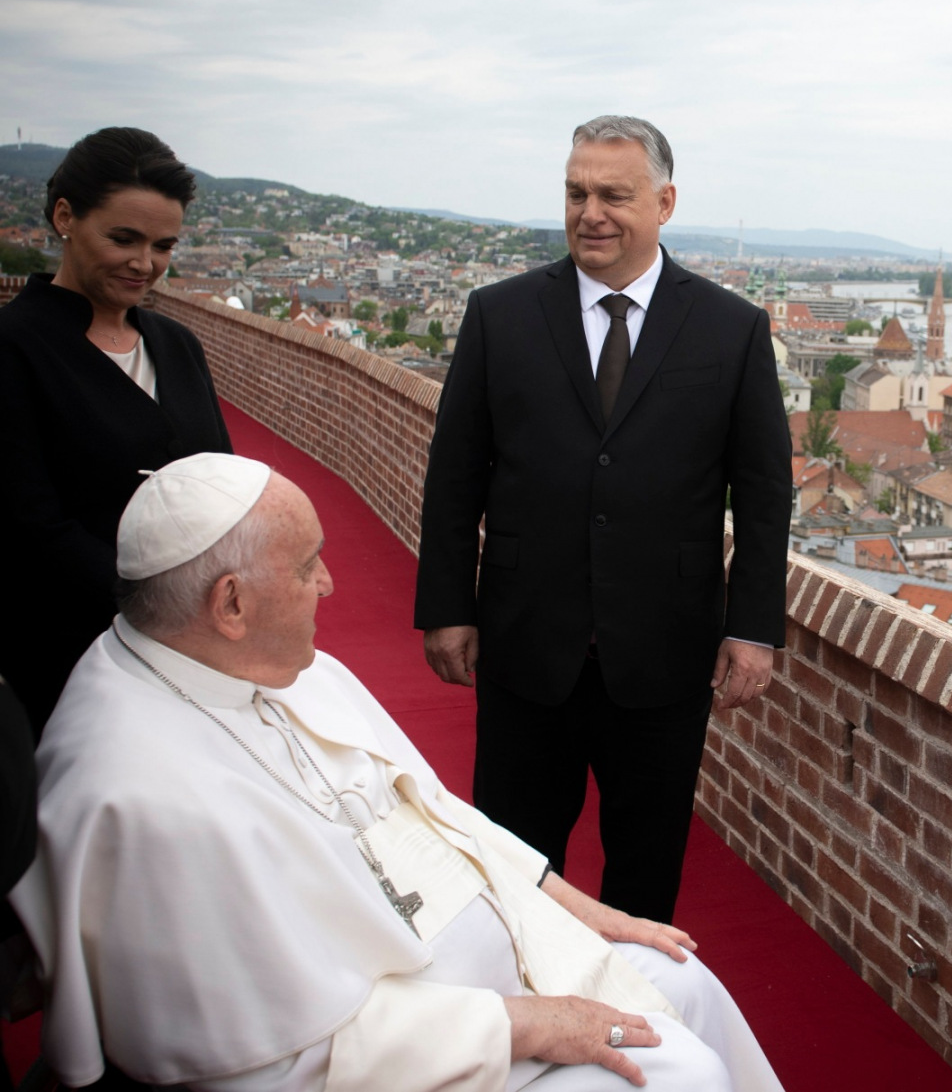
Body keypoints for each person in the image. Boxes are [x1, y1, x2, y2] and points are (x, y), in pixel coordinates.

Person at [10, 453, 783, 1091]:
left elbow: (440, 811)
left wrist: (582, 909)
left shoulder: (280, 669)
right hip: (416, 1042)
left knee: (685, 979)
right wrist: (527, 1022)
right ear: (231, 603)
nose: (328, 583)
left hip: (484, 962)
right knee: (682, 1075)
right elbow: (278, 1061)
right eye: (307, 564)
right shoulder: (140, 795)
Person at [414, 116, 792, 923]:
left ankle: (637, 996)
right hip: (525, 641)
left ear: (664, 203)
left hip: (666, 650)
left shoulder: (732, 329)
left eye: (614, 195)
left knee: (646, 869)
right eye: (576, 192)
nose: (591, 213)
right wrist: (447, 606)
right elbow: (455, 476)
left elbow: (764, 494)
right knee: (513, 866)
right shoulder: (499, 314)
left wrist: (754, 628)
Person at [0, 126, 231, 736]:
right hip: (67, 652)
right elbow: (29, 523)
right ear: (65, 217)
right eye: (123, 239)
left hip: (191, 653)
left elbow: (221, 481)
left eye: (163, 245)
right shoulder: (12, 348)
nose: (144, 264)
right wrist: (161, 607)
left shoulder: (177, 345)